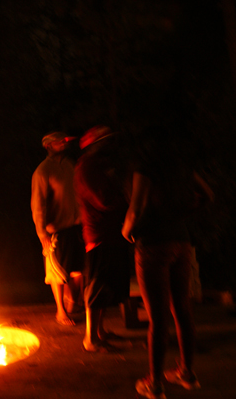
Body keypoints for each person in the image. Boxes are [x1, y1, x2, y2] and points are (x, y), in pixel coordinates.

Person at [122, 127, 214, 399]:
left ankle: (155, 384)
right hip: (181, 242)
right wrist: (186, 212)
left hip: (153, 245)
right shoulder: (182, 169)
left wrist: (126, 231)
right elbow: (209, 195)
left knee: (158, 318)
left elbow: (136, 208)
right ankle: (187, 373)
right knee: (182, 310)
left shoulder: (145, 168)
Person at [74, 125, 132, 352]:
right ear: (94, 145)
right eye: (106, 141)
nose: (110, 145)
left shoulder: (98, 165)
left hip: (109, 234)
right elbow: (104, 200)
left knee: (106, 286)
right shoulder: (87, 167)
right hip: (99, 235)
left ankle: (99, 331)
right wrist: (128, 199)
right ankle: (91, 339)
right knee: (98, 286)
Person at [31, 131, 85, 326]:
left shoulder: (70, 165)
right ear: (48, 146)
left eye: (65, 142)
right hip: (56, 229)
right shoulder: (43, 171)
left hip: (76, 225)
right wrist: (42, 233)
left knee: (77, 270)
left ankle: (72, 305)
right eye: (59, 142)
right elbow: (38, 204)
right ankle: (60, 311)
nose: (64, 144)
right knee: (57, 272)